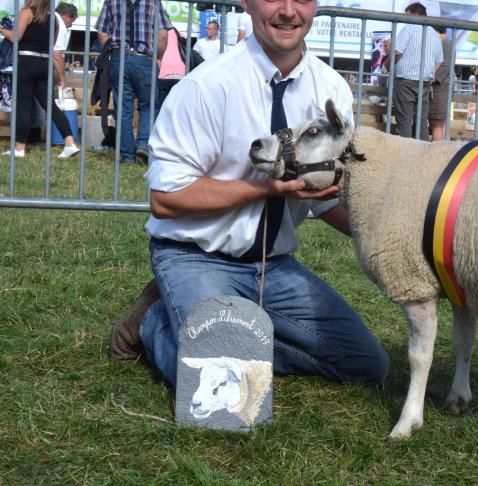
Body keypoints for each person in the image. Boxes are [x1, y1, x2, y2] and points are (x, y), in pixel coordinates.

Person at [108, 0, 389, 389]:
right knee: (226, 394)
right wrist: (264, 188)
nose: (288, 11)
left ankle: (238, 341)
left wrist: (392, 237)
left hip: (272, 265)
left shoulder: (331, 89)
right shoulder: (207, 85)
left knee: (367, 367)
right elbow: (166, 198)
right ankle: (153, 321)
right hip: (196, 256)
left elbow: (324, 196)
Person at [0, 0, 79, 158]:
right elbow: (53, 46)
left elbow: (15, 37)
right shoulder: (54, 19)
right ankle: (70, 143)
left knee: (23, 107)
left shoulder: (27, 12)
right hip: (44, 64)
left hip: (26, 62)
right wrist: (60, 76)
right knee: (51, 106)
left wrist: (1, 28)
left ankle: (19, 148)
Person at [96, 0, 172, 164]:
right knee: (149, 105)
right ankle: (143, 144)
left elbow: (102, 32)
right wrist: (158, 57)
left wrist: (111, 52)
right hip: (145, 59)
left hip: (119, 58)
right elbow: (162, 34)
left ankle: (127, 155)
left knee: (123, 109)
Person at [389, 2, 443, 140]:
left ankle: (405, 150)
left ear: (415, 14)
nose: (405, 19)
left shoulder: (409, 29)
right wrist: (429, 73)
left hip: (406, 79)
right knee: (421, 120)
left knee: (404, 119)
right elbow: (440, 61)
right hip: (424, 82)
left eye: (407, 16)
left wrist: (386, 65)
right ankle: (423, 149)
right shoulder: (434, 33)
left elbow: (397, 53)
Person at [429, 25, 451, 142]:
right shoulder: (447, 42)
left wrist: (432, 78)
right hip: (441, 87)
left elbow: (446, 65)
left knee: (436, 124)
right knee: (438, 125)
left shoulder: (443, 42)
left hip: (439, 88)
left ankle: (437, 151)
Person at [52, 2, 77, 90]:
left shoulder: (47, 17)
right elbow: (57, 55)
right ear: (66, 16)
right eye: (72, 21)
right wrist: (62, 79)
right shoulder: (60, 24)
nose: (71, 25)